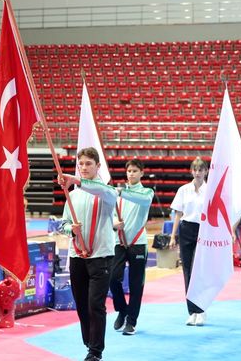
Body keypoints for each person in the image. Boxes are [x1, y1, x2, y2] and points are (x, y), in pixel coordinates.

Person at [58, 147, 118, 361]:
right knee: (82, 305)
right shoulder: (71, 196)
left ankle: (95, 351)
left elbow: (100, 191)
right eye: (81, 164)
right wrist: (69, 229)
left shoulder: (107, 192)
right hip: (77, 256)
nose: (84, 168)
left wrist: (75, 179)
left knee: (95, 304)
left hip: (101, 256)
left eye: (88, 164)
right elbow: (62, 223)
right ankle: (89, 342)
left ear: (98, 167)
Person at [110, 159, 153, 336]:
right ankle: (122, 309)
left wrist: (120, 192)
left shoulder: (146, 192)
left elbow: (141, 200)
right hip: (119, 242)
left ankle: (132, 321)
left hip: (138, 244)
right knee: (112, 278)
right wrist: (114, 223)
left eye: (135, 171)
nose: (131, 174)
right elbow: (110, 216)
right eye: (129, 171)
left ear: (141, 173)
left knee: (136, 285)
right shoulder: (118, 196)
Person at [169, 157, 208, 326]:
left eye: (201, 170)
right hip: (186, 229)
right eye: (195, 170)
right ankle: (192, 311)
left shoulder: (210, 190)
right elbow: (178, 213)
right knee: (187, 270)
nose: (198, 173)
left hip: (204, 230)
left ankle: (202, 309)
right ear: (191, 171)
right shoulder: (183, 190)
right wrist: (172, 236)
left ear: (206, 171)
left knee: (201, 270)